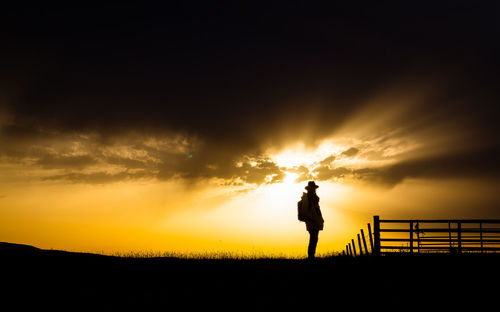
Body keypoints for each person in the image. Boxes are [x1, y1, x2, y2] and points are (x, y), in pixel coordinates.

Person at [302, 181, 324, 259]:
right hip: (312, 220)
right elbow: (307, 210)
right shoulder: (308, 198)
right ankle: (311, 256)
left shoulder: (311, 197)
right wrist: (312, 219)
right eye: (313, 188)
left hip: (314, 220)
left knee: (314, 238)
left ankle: (311, 256)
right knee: (313, 238)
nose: (314, 189)